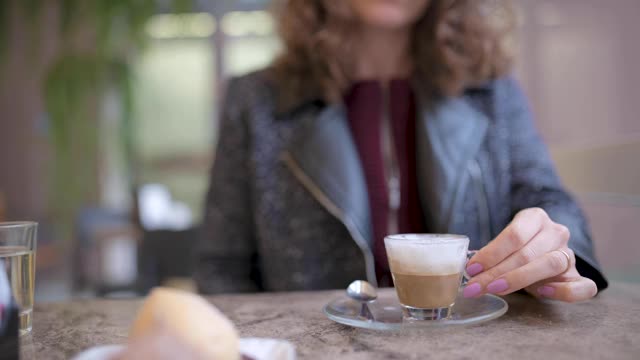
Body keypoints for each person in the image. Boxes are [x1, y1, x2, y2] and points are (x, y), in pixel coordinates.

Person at [195, 0, 607, 302]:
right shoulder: (255, 101)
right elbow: (221, 267)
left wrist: (554, 253)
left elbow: (550, 203)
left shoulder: (491, 90)